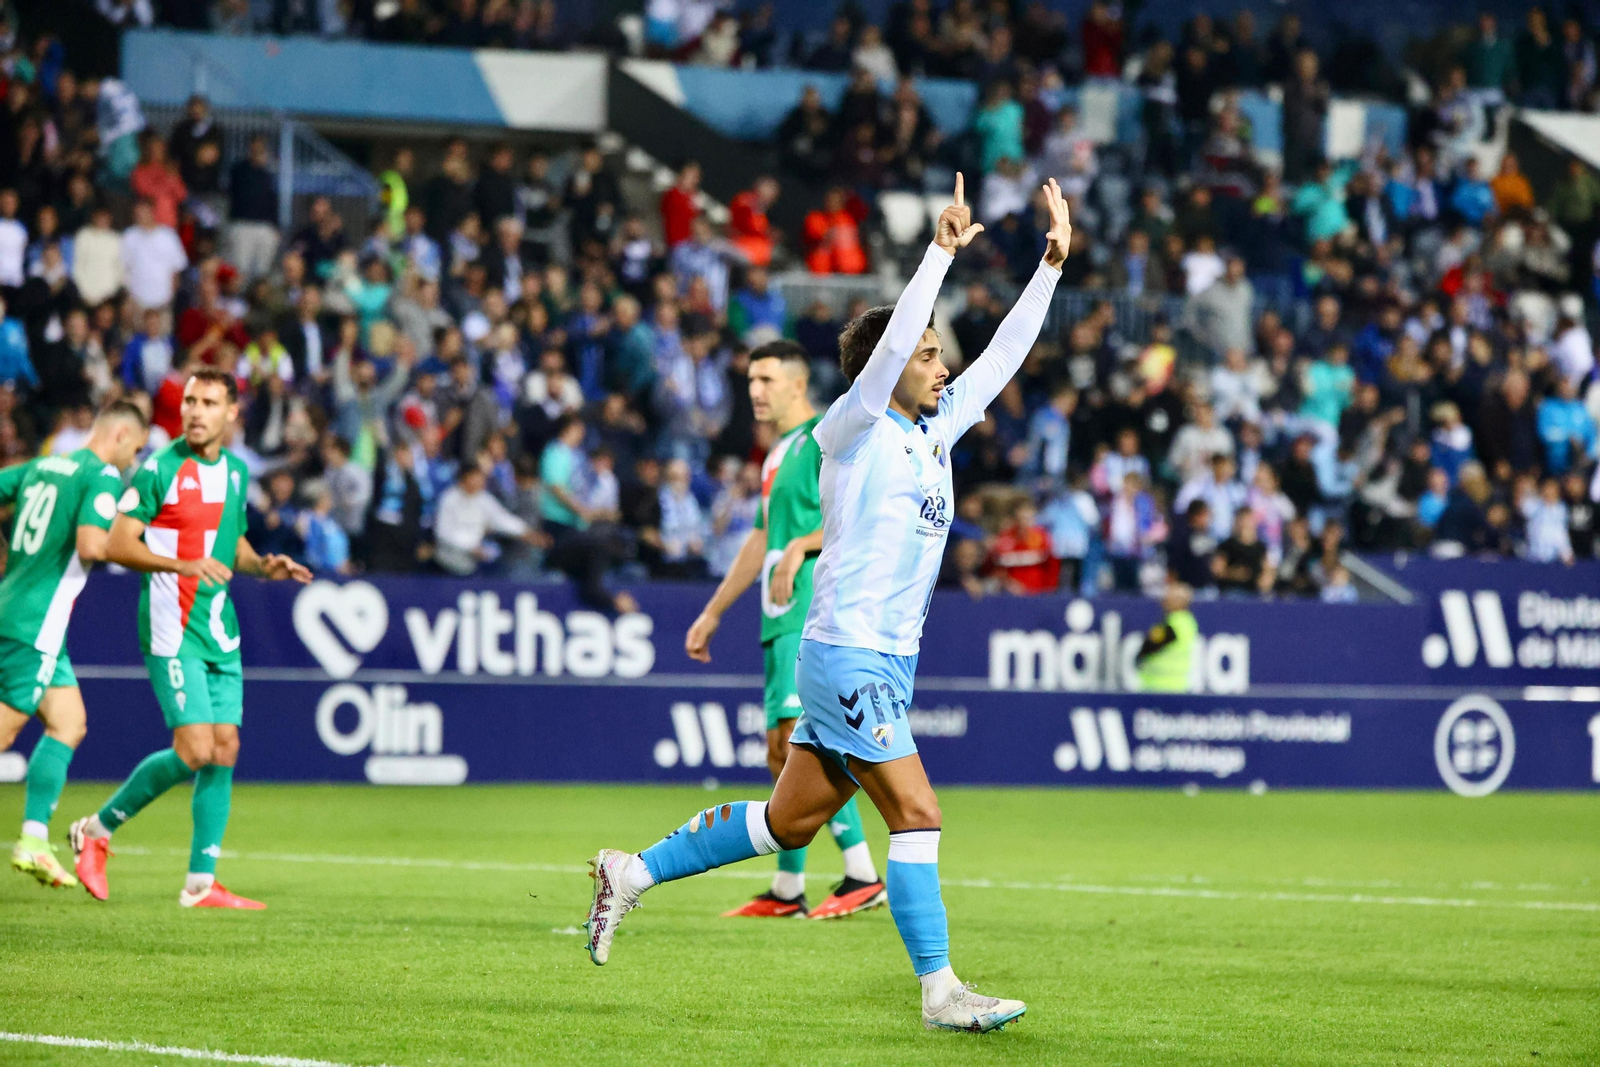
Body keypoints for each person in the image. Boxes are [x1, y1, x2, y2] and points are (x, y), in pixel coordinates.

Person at [584, 174, 1068, 1033]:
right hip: (848, 652)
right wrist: (938, 255)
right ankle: (941, 990)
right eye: (926, 353)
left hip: (883, 658)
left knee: (786, 821)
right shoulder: (848, 429)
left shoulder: (933, 430)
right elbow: (887, 358)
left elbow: (1001, 360)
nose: (941, 363)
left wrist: (1052, 267)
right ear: (887, 367)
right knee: (916, 813)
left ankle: (632, 871)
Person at [68, 369, 313, 908]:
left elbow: (232, 543)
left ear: (232, 414)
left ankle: (200, 883)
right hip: (170, 627)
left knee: (225, 748)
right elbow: (115, 543)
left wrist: (261, 565)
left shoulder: (235, 472)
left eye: (208, 402)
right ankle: (97, 830)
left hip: (218, 629)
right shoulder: (160, 468)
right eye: (189, 402)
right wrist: (181, 563)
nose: (195, 411)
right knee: (195, 748)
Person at [685, 341, 884, 920]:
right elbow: (760, 538)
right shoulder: (776, 456)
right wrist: (714, 610)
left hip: (813, 613)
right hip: (777, 619)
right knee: (781, 751)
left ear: (797, 385)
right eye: (750, 379)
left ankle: (860, 874)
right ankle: (788, 888)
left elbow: (861, 513)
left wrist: (802, 545)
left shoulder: (828, 438)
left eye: (767, 379)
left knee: (801, 742)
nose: (755, 390)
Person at [0, 402, 149, 889]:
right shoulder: (103, 478)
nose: (134, 461)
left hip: (21, 611)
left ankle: (35, 840)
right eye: (138, 449)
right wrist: (138, 548)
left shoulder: (43, 465)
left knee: (69, 722)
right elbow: (90, 546)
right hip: (35, 625)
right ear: (122, 434)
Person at [1135, 582, 1196, 693]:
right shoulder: (1186, 621)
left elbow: (1149, 646)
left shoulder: (1175, 623)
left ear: (1181, 601)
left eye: (1170, 597)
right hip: (1172, 686)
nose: (1164, 600)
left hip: (1162, 687)